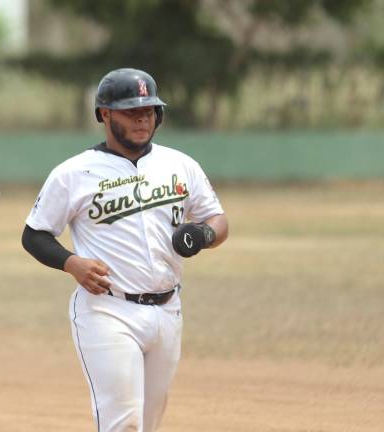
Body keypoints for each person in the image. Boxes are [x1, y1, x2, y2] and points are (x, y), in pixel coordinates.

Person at [21, 68, 229, 431]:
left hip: (168, 310)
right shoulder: (74, 173)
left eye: (148, 111)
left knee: (149, 424)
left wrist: (203, 235)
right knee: (123, 423)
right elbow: (34, 234)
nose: (142, 119)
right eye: (131, 111)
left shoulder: (179, 164)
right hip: (108, 310)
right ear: (104, 114)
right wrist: (72, 263)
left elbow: (217, 219)